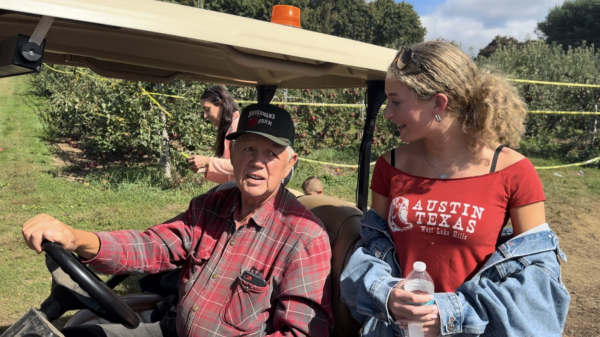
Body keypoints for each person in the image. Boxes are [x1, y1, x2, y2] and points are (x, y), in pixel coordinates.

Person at [23, 104, 333, 337]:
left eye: (271, 153)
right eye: (248, 148)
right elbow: (153, 246)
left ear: (291, 162)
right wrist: (77, 238)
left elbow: (300, 332)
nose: (256, 162)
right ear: (233, 153)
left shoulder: (304, 237)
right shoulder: (213, 204)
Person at [340, 41, 569, 337]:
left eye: (396, 102)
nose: (387, 113)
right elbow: (372, 247)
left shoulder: (514, 171)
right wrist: (387, 293)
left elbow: (537, 279)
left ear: (437, 103)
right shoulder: (389, 166)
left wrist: (449, 314)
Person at [187, 85, 240, 183]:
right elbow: (230, 174)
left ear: (221, 104)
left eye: (207, 109)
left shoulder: (236, 125)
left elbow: (238, 165)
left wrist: (208, 161)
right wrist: (205, 168)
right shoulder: (228, 127)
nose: (205, 115)